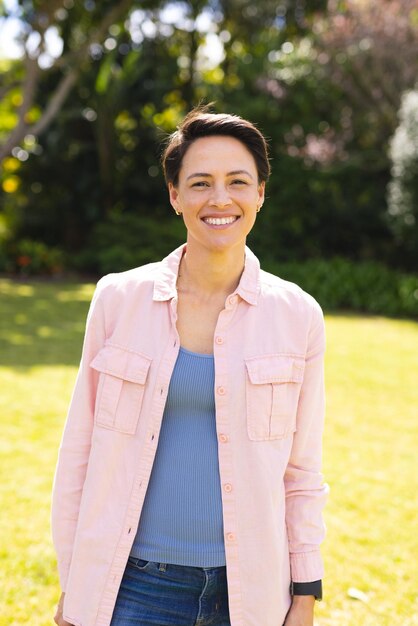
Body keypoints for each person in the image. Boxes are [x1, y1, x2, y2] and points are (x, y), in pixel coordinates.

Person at [52, 105, 328, 626]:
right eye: (200, 182)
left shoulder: (299, 316)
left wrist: (305, 596)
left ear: (260, 194)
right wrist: (77, 585)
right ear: (175, 196)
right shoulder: (118, 300)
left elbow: (302, 473)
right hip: (132, 588)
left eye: (238, 181)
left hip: (251, 595)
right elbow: (79, 454)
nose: (220, 199)